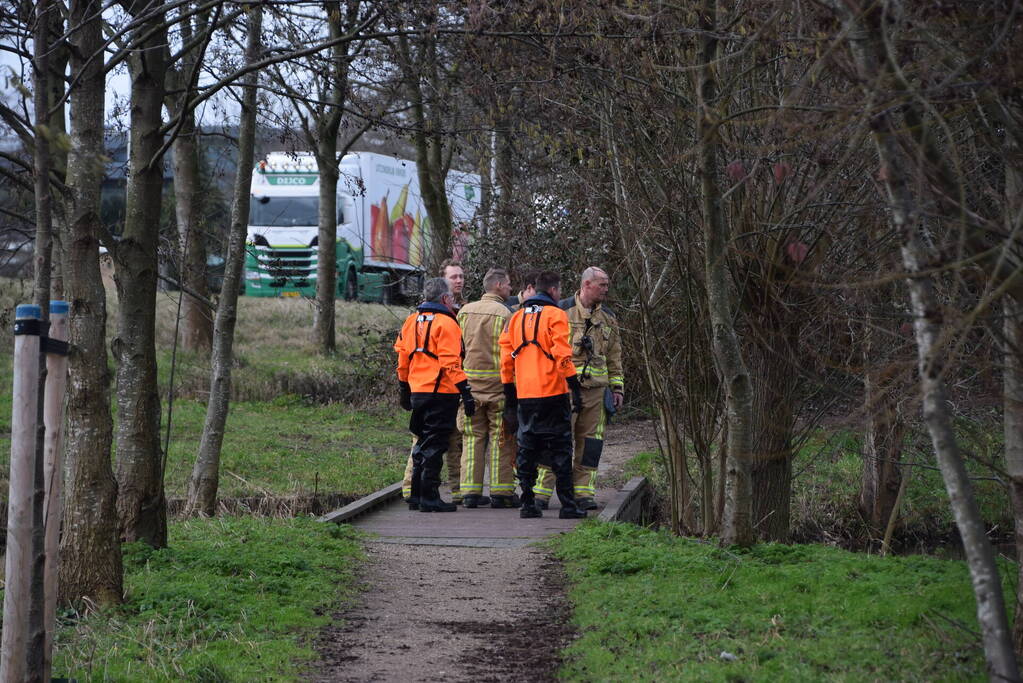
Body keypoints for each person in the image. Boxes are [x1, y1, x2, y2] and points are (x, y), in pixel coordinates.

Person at [533, 266, 624, 511]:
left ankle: (583, 492)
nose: (606, 289)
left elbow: (615, 357)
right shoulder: (559, 311)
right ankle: (541, 492)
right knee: (555, 441)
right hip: (562, 391)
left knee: (591, 443)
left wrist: (617, 388)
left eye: (607, 284)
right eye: (602, 284)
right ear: (586, 285)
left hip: (596, 391)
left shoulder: (608, 317)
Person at [499, 270, 587, 519]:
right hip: (553, 393)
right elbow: (562, 355)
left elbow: (506, 359)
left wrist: (509, 393)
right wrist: (575, 388)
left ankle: (528, 504)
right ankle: (568, 506)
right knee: (560, 450)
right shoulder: (556, 315)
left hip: (525, 395)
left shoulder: (515, 319)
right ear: (553, 291)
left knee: (526, 449)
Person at [394, 277, 476, 512]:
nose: (452, 301)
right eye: (450, 297)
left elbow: (403, 359)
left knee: (422, 441)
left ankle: (418, 495)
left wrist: (403, 389)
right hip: (441, 393)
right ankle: (430, 497)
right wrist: (466, 393)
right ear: (444, 298)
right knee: (436, 444)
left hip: (418, 391)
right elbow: (451, 363)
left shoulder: (411, 321)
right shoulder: (447, 324)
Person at [457, 268, 520, 508]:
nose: (511, 289)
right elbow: (509, 354)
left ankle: (470, 493)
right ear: (498, 285)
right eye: (508, 285)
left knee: (472, 439)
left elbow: (459, 349)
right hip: (497, 389)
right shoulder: (506, 314)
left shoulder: (464, 312)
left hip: (470, 388)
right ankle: (501, 492)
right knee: (500, 439)